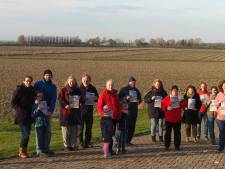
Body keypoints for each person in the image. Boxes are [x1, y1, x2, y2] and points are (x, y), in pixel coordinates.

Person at [11, 75, 35, 158]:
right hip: (21, 115)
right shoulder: (19, 89)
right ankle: (21, 152)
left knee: (27, 134)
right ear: (23, 81)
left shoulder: (32, 89)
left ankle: (24, 151)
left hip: (29, 115)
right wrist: (19, 109)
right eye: (27, 80)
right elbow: (13, 102)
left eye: (30, 81)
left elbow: (34, 99)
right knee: (25, 134)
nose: (28, 82)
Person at [34, 69, 57, 155]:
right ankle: (39, 150)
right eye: (46, 75)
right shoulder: (38, 83)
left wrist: (51, 110)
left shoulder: (53, 86)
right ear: (44, 76)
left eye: (49, 75)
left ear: (51, 76)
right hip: (39, 110)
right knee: (39, 129)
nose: (48, 76)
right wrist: (35, 102)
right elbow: (34, 94)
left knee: (48, 130)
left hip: (47, 111)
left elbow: (53, 99)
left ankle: (46, 148)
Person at [98, 79, 122, 158]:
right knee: (108, 134)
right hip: (107, 117)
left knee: (112, 133)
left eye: (112, 85)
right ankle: (107, 150)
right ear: (106, 86)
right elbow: (100, 106)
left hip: (114, 117)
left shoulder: (115, 94)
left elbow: (118, 105)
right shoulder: (103, 94)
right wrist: (103, 113)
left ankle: (110, 149)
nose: (111, 86)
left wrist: (119, 114)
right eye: (109, 85)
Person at [58, 76, 82, 151]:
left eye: (73, 81)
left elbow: (81, 99)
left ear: (75, 82)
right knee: (66, 130)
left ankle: (73, 145)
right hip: (66, 113)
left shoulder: (77, 90)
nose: (71, 83)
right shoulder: (63, 90)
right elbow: (60, 99)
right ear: (67, 81)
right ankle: (66, 145)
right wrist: (65, 105)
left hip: (75, 112)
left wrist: (80, 101)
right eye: (70, 81)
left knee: (74, 130)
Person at [161, 85, 186, 151]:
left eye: (176, 91)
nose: (175, 92)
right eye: (174, 91)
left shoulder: (179, 98)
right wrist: (166, 108)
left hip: (177, 119)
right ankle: (167, 146)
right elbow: (162, 105)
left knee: (177, 133)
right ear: (171, 91)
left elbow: (184, 106)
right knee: (168, 133)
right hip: (168, 119)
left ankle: (177, 146)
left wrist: (182, 100)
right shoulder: (167, 98)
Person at [119, 76, 142, 145]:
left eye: (134, 82)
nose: (134, 84)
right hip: (126, 111)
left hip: (134, 110)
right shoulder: (124, 89)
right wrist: (126, 98)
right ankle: (123, 141)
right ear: (129, 82)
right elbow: (119, 99)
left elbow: (140, 99)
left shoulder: (136, 90)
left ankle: (128, 141)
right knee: (126, 126)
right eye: (132, 82)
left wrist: (139, 101)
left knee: (132, 126)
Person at [80, 74, 98, 148]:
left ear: (90, 81)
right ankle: (80, 143)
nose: (85, 81)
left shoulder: (93, 88)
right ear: (82, 80)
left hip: (89, 111)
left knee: (89, 128)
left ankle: (88, 142)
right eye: (84, 80)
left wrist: (95, 98)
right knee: (80, 128)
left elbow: (98, 98)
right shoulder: (79, 88)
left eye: (87, 80)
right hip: (81, 111)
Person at [32, 92, 48, 157]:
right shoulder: (34, 104)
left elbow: (45, 113)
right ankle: (39, 151)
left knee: (44, 136)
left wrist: (46, 109)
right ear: (36, 97)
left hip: (44, 122)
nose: (40, 97)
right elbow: (33, 114)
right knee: (39, 137)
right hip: (38, 123)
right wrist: (38, 109)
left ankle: (43, 150)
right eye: (38, 96)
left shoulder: (43, 103)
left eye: (41, 96)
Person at [215, 80, 225, 152]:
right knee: (222, 132)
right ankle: (221, 147)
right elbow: (214, 106)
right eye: (224, 85)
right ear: (222, 86)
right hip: (220, 118)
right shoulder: (219, 94)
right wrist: (219, 103)